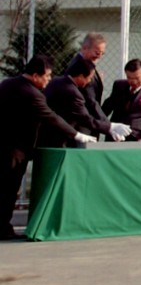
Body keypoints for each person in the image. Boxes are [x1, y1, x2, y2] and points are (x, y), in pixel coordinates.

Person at [1, 55, 95, 240]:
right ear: (36, 75)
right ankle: (2, 228)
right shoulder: (32, 94)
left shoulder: (7, 84)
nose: (49, 79)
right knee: (8, 189)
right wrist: (76, 134)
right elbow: (51, 118)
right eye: (47, 76)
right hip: (15, 150)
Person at [41, 58, 129, 146]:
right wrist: (110, 127)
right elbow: (85, 118)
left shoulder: (56, 81)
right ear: (80, 76)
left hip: (44, 135)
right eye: (89, 78)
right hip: (58, 138)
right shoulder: (73, 93)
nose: (89, 81)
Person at [64, 32, 107, 122]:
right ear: (84, 48)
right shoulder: (78, 67)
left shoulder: (88, 64)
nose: (99, 56)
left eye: (102, 53)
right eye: (97, 52)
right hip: (82, 122)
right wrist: (107, 125)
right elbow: (90, 99)